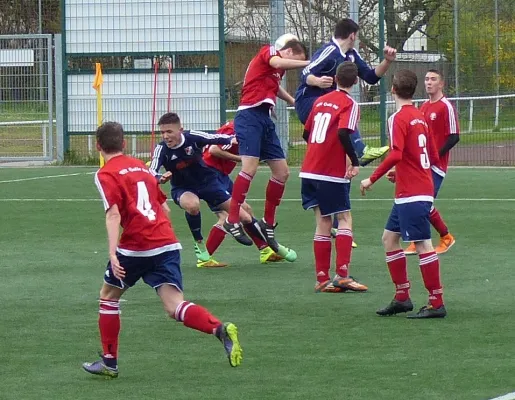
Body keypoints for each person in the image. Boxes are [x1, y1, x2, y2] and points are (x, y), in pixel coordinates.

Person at [83, 122, 243, 378]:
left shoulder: (105, 173)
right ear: (124, 143)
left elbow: (113, 214)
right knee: (174, 306)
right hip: (166, 242)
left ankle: (109, 362)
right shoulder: (141, 167)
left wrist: (113, 253)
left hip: (136, 246)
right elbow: (164, 207)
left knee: (108, 296)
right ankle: (218, 328)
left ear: (98, 146)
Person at [360, 70, 447, 319]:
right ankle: (402, 297)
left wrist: (371, 177)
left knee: (423, 244)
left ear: (393, 91)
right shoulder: (420, 117)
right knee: (389, 239)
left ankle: (436, 302)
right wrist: (401, 174)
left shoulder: (397, 117)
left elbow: (397, 153)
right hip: (412, 190)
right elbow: (431, 155)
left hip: (413, 194)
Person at [222, 39, 310, 252]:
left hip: (263, 118)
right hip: (249, 116)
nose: (293, 65)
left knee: (282, 172)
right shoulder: (269, 51)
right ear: (288, 51)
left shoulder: (275, 70)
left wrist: (293, 101)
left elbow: (275, 85)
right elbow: (278, 63)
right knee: (249, 167)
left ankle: (267, 223)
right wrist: (307, 63)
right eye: (294, 59)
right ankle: (232, 219)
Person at [149, 112, 267, 268]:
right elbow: (152, 170)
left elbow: (216, 138)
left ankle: (270, 247)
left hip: (208, 183)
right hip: (183, 188)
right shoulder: (161, 149)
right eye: (162, 132)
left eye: (169, 131)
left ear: (180, 130)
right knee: (192, 205)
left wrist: (234, 139)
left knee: (244, 216)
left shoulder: (192, 137)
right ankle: (200, 247)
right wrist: (159, 178)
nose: (165, 136)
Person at [300, 62, 368, 293]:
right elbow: (343, 132)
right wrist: (354, 160)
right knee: (345, 218)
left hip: (309, 169)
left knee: (323, 221)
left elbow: (306, 132)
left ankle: (322, 278)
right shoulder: (349, 103)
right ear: (356, 81)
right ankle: (343, 275)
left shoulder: (320, 101)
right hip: (329, 172)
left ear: (336, 79)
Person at [294, 18, 395, 167]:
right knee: (345, 108)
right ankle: (362, 150)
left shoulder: (351, 55)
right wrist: (317, 81)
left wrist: (387, 61)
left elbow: (370, 77)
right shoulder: (329, 50)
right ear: (352, 35)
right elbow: (305, 72)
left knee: (340, 153)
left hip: (329, 104)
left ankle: (347, 163)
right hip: (308, 100)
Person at [203, 120, 297, 264]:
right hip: (210, 175)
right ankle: (204, 257)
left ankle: (264, 250)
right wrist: (241, 159)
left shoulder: (246, 127)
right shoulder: (235, 130)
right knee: (227, 217)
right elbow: (214, 150)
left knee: (246, 209)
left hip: (221, 175)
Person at [404, 70, 459, 255]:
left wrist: (435, 156)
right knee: (418, 201)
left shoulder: (446, 107)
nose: (429, 82)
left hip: (436, 166)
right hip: (423, 164)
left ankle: (446, 237)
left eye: (433, 79)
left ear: (441, 84)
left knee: (424, 203)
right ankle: (416, 241)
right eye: (427, 79)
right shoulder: (424, 106)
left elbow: (454, 137)